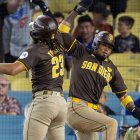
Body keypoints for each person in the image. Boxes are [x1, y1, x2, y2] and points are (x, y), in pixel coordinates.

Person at [37, 1, 140, 140]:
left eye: (109, 47)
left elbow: (123, 95)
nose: (106, 49)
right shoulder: (82, 52)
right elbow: (61, 33)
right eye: (104, 45)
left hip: (90, 112)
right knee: (111, 123)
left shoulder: (111, 68)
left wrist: (134, 111)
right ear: (96, 44)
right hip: (75, 108)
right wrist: (75, 12)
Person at [0, 0, 92, 139]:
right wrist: (75, 11)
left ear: (35, 33)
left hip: (44, 104)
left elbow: (13, 69)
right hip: (60, 105)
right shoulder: (59, 41)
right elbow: (62, 25)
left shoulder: (36, 50)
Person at [54, 11, 72, 79]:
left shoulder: (68, 37)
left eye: (60, 23)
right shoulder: (46, 37)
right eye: (56, 23)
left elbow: (70, 63)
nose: (58, 26)